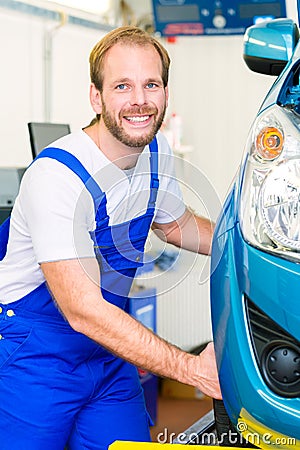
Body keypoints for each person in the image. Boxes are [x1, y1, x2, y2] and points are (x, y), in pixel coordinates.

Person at [0, 26, 221, 450]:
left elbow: (173, 225)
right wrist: (191, 369)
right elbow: (82, 311)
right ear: (96, 97)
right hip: (36, 360)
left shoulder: (157, 152)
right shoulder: (57, 177)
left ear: (166, 93)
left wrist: (251, 248)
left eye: (150, 84)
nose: (139, 100)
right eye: (123, 86)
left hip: (106, 357)